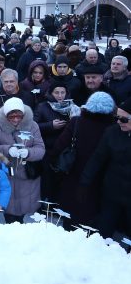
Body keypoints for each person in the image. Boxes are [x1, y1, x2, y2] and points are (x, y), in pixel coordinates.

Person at [51, 92, 116, 229]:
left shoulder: (77, 122)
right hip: (100, 178)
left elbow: (59, 145)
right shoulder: (113, 128)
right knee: (93, 216)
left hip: (73, 173)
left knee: (72, 213)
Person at [80, 98, 131, 239]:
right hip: (113, 190)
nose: (119, 122)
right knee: (104, 229)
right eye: (117, 117)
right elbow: (98, 157)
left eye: (124, 119)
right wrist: (85, 181)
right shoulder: (112, 132)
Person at [0, 97, 45, 223]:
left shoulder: (33, 125)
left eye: (19, 116)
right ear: (5, 116)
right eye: (11, 117)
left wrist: (28, 152)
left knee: (25, 209)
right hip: (6, 174)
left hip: (27, 175)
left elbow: (41, 149)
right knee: (9, 210)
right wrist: (7, 149)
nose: (15, 120)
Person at [34, 82, 81, 200]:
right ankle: (46, 204)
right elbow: (33, 126)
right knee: (48, 179)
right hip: (48, 148)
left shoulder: (73, 107)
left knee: (63, 179)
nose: (60, 96)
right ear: (51, 93)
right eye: (57, 92)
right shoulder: (43, 106)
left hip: (66, 150)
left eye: (62, 92)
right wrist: (50, 125)